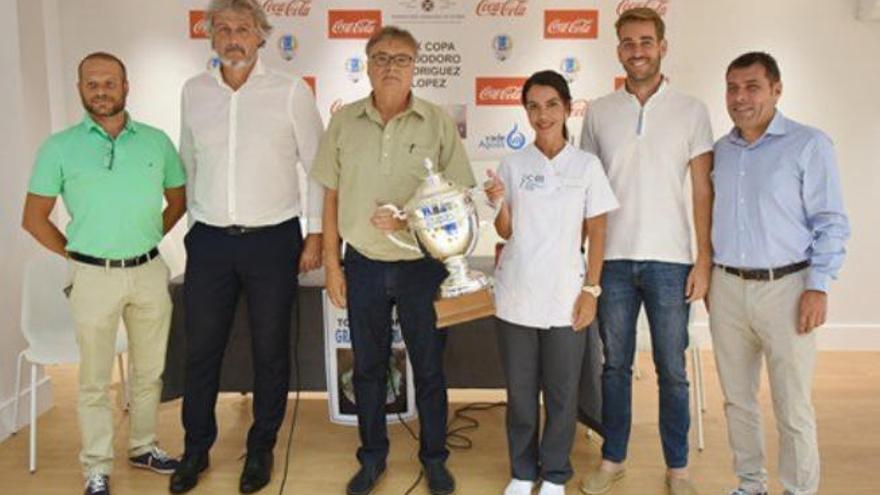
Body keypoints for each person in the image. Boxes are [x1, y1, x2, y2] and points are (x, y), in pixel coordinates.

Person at [311, 25, 475, 495]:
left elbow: (460, 195)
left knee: (428, 367)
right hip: (361, 262)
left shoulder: (437, 122)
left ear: (414, 66)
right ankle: (372, 457)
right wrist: (332, 264)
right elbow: (330, 194)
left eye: (401, 59)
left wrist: (408, 220)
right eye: (381, 58)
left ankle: (434, 458)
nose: (390, 67)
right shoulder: (343, 122)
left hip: (423, 267)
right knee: (367, 367)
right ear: (367, 64)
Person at [169, 0, 324, 493]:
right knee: (202, 351)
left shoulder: (290, 92)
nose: (233, 37)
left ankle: (260, 450)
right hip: (210, 240)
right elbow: (187, 164)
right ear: (210, 37)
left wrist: (316, 232)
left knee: (270, 350)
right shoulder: (193, 93)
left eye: (243, 28)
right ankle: (196, 450)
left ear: (261, 36)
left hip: (273, 241)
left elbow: (318, 167)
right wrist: (194, 228)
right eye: (223, 29)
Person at [21, 52, 186, 495]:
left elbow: (177, 198)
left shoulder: (155, 142)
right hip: (92, 277)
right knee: (94, 380)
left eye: (109, 82)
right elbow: (34, 218)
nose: (101, 91)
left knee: (150, 372)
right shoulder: (59, 147)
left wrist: (149, 235)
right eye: (91, 83)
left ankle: (144, 445)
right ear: (80, 89)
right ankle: (96, 466)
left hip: (149, 270)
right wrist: (75, 256)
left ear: (126, 86)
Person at [578, 7, 714, 495]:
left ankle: (677, 469)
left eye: (646, 41)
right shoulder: (598, 112)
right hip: (611, 261)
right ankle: (613, 460)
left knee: (672, 370)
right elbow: (586, 192)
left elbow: (702, 190)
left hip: (671, 260)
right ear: (618, 50)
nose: (638, 50)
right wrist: (583, 260)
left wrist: (704, 259)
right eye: (629, 43)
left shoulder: (692, 110)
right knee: (614, 366)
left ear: (662, 46)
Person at [710, 52, 850, 495]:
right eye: (733, 88)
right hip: (727, 289)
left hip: (787, 289)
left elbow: (831, 222)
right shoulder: (721, 150)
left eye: (752, 86)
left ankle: (798, 490)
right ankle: (751, 485)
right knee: (737, 402)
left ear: (776, 90)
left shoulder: (809, 144)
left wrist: (818, 287)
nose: (740, 97)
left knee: (792, 405)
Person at [485, 71, 618, 495]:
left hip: (566, 295)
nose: (542, 115)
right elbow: (507, 232)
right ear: (525, 111)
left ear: (567, 108)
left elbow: (598, 233)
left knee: (562, 394)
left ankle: (556, 473)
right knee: (522, 395)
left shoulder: (586, 166)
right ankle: (523, 472)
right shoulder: (514, 164)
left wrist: (591, 290)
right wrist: (498, 203)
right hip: (517, 296)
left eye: (551, 105)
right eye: (533, 107)